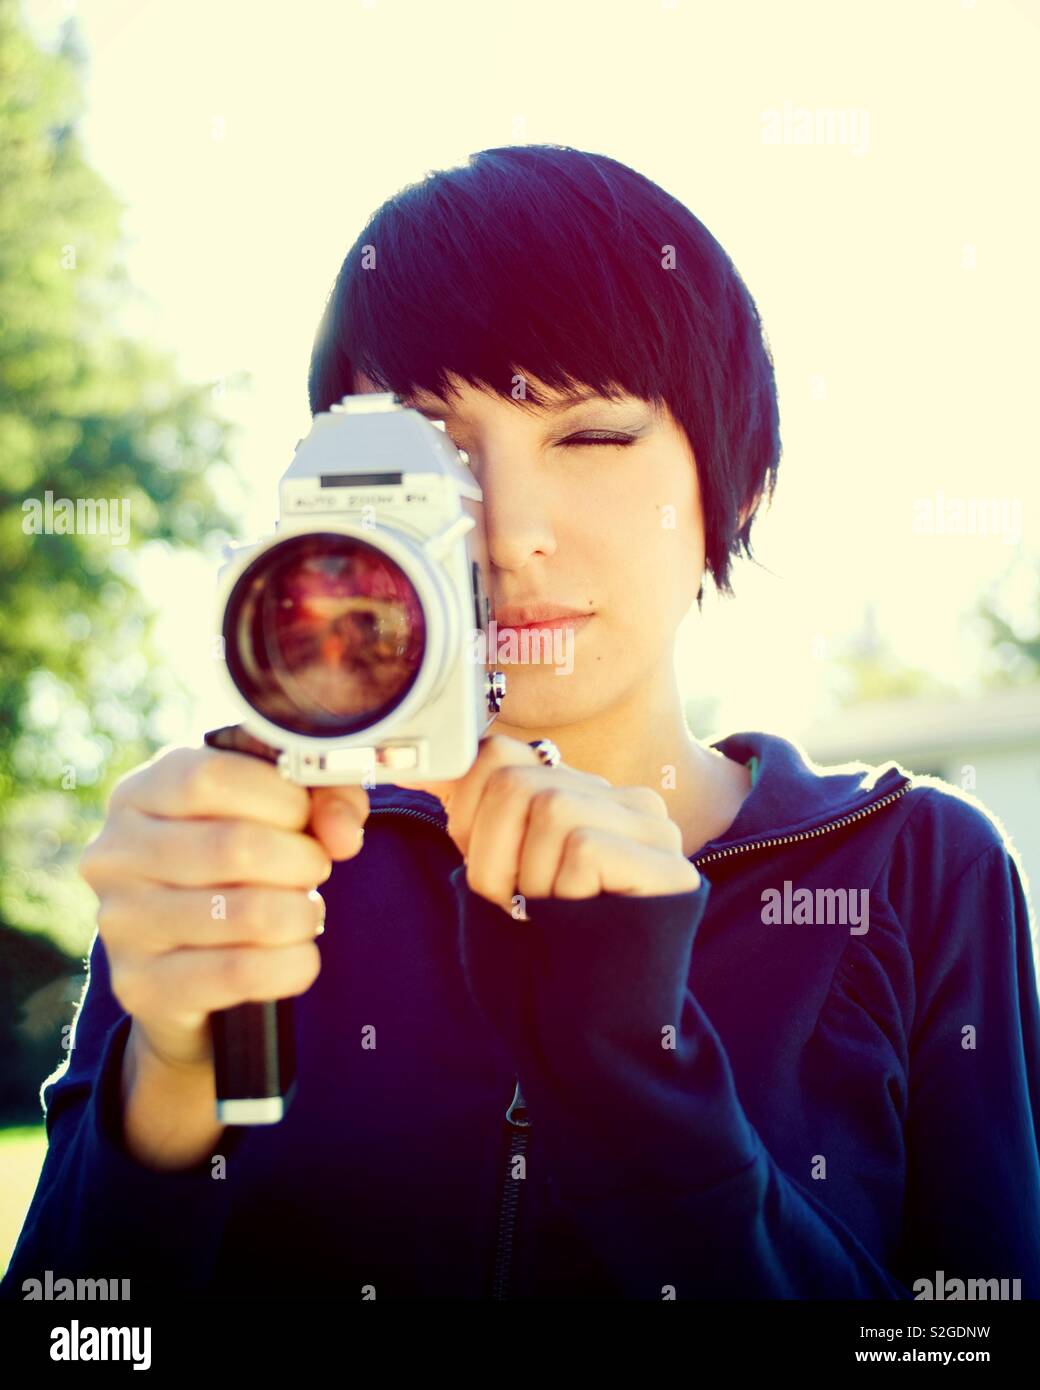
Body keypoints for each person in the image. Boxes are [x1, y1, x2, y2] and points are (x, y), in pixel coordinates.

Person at [4, 144, 1039, 1302]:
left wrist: (635, 1072)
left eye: (591, 436)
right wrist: (168, 1090)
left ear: (734, 487)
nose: (507, 532)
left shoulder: (918, 868)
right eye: (429, 453)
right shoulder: (235, 864)